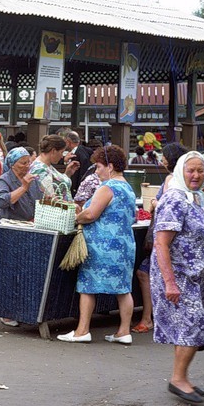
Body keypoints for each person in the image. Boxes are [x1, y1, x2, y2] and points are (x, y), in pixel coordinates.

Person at [151, 151, 204, 404]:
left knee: (189, 327)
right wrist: (170, 282)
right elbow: (161, 243)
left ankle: (182, 377)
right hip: (179, 277)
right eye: (191, 170)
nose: (196, 175)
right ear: (181, 171)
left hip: (196, 279)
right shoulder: (175, 199)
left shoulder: (195, 199)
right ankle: (178, 379)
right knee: (192, 325)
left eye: (200, 170)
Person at [57, 145, 136, 344]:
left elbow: (92, 214)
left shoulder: (108, 187)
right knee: (123, 289)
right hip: (125, 245)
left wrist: (77, 217)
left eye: (99, 166)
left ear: (110, 166)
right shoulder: (127, 187)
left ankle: (82, 330)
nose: (97, 171)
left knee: (87, 287)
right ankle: (124, 331)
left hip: (102, 246)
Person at [134, 142, 190, 333]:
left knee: (145, 272)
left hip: (166, 236)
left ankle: (148, 318)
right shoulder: (184, 179)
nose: (162, 158)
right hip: (178, 237)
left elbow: (167, 205)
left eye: (164, 156)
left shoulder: (171, 179)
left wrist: (156, 202)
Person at [0, 147, 41, 223]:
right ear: (12, 165)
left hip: (29, 225)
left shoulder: (32, 179)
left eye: (28, 162)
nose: (27, 166)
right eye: (23, 163)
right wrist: (23, 188)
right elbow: (1, 202)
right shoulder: (4, 179)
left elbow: (39, 199)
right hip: (9, 226)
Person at [30, 134, 79, 202]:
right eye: (61, 152)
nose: (62, 156)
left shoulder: (45, 166)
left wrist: (68, 173)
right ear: (53, 151)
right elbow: (50, 199)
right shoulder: (40, 170)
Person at [58, 129, 93, 196]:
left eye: (64, 142)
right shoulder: (85, 151)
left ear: (68, 142)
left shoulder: (79, 155)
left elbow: (81, 174)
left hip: (78, 190)